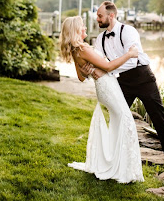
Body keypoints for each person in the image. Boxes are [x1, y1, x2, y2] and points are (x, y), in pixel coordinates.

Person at [83, 1, 164, 179]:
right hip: (123, 82)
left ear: (111, 16)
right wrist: (90, 67)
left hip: (143, 78)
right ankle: (113, 162)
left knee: (159, 120)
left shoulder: (128, 31)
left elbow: (131, 60)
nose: (97, 19)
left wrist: (107, 68)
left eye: (99, 16)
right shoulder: (100, 39)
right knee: (117, 118)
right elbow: (97, 60)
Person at [60, 16, 144, 184]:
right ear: (76, 30)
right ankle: (123, 169)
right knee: (125, 120)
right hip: (107, 85)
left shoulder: (77, 50)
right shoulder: (82, 49)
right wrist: (129, 54)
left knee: (118, 121)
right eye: (82, 26)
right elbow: (107, 67)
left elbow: (81, 77)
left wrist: (88, 71)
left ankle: (117, 163)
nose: (85, 28)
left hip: (104, 86)